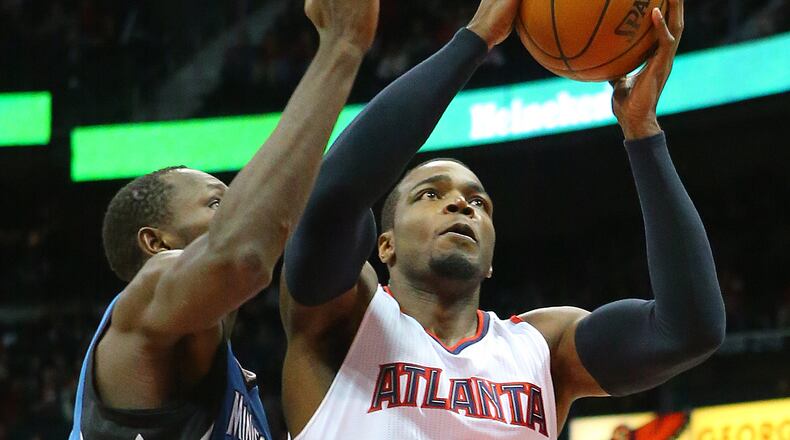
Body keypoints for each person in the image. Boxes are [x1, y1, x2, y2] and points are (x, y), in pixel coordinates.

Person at [279, 0, 725, 438]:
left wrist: (642, 129)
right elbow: (331, 199)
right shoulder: (344, 320)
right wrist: (475, 39)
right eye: (429, 193)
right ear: (385, 244)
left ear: (491, 259)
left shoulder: (543, 348)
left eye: (479, 202)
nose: (460, 205)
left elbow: (688, 330)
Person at [68, 0, 379, 437]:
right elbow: (242, 257)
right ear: (156, 242)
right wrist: (341, 48)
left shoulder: (235, 382)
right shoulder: (146, 301)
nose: (243, 216)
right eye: (218, 206)